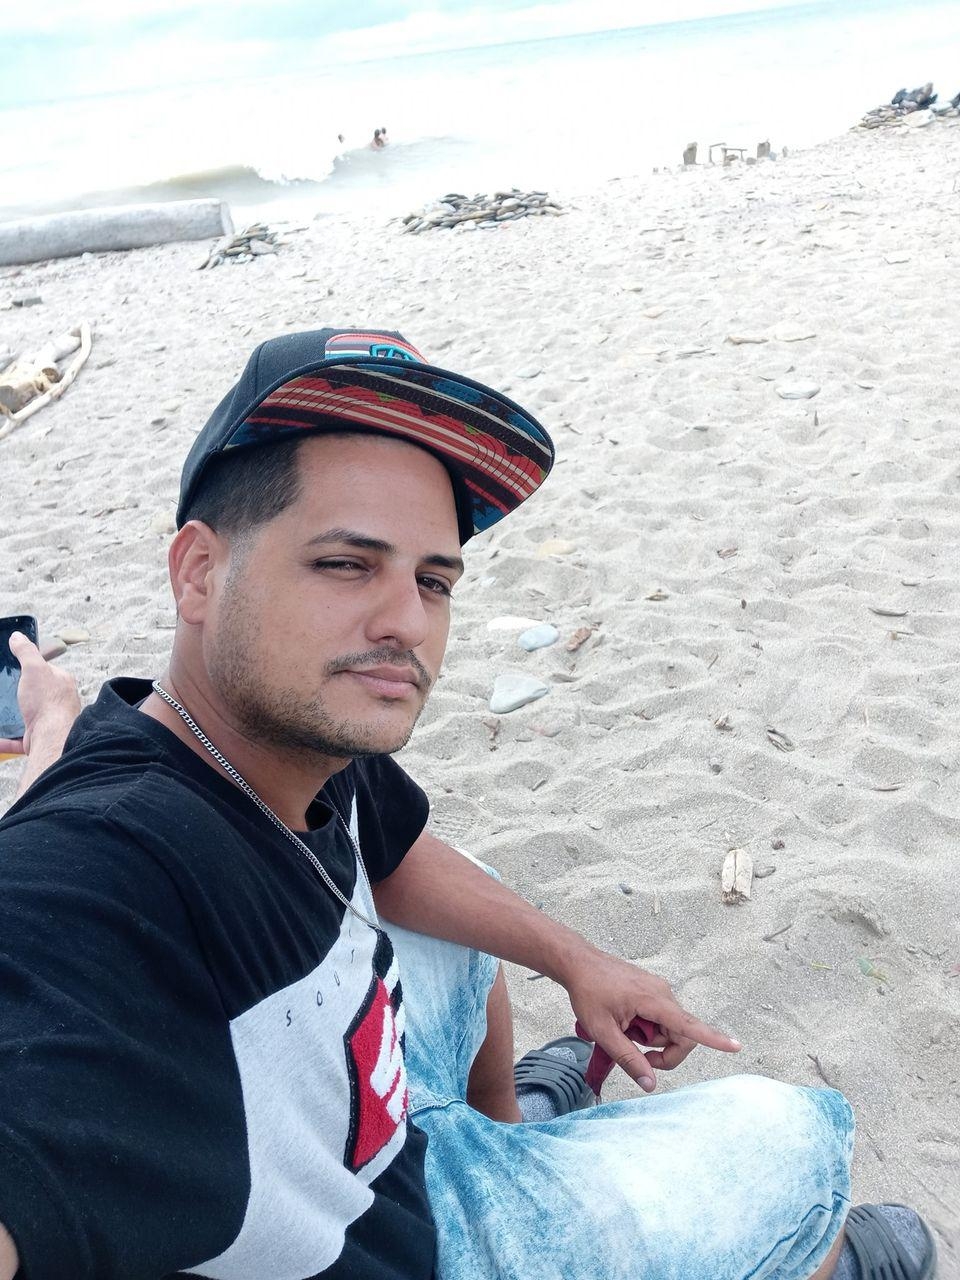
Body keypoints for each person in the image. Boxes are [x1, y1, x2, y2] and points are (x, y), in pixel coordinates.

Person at [0, 329, 936, 1280]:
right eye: (346, 563)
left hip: (372, 1132)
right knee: (787, 1135)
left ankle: (506, 1135)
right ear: (199, 572)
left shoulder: (287, 736)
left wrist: (577, 960)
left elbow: (400, 854)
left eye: (433, 580)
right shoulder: (95, 877)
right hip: (398, 1250)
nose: (407, 622)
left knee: (456, 904)